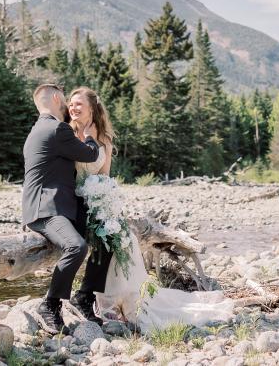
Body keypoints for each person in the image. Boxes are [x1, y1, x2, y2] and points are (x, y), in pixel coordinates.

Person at [68, 87, 235, 333]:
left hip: (96, 200)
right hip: (73, 200)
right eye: (71, 103)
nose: (73, 108)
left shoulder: (104, 138)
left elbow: (104, 176)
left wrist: (105, 203)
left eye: (78, 104)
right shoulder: (67, 134)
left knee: (117, 239)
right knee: (108, 238)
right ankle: (86, 296)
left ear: (92, 108)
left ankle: (95, 297)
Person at [21, 83, 113, 335]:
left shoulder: (40, 128)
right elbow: (90, 155)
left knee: (106, 237)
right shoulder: (58, 129)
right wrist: (92, 137)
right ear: (55, 98)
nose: (68, 106)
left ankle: (84, 295)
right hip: (47, 209)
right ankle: (50, 304)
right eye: (65, 100)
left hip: (65, 204)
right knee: (77, 246)